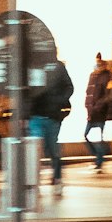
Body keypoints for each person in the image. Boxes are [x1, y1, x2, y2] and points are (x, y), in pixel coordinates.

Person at [27, 51, 74, 197]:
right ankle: (34, 183)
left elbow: (69, 87)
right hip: (35, 116)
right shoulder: (33, 66)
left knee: (53, 150)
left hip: (52, 116)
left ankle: (57, 179)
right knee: (35, 150)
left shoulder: (58, 67)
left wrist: (58, 101)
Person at [84, 53, 112, 172]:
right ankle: (98, 157)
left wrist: (97, 106)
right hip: (91, 112)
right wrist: (88, 105)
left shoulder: (106, 76)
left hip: (99, 112)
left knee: (97, 137)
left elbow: (107, 95)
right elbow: (89, 91)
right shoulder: (92, 75)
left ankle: (99, 160)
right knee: (87, 135)